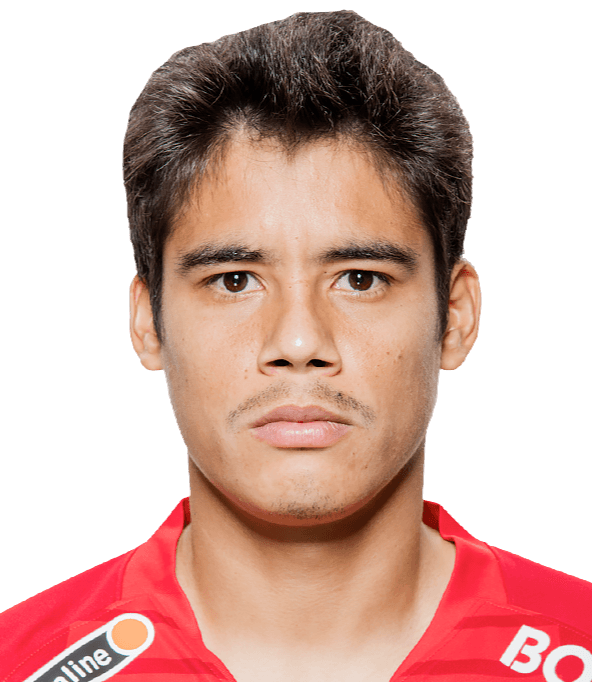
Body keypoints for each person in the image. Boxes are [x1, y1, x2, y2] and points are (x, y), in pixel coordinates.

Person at [2, 10, 591, 682]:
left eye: (361, 279)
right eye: (234, 280)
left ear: (454, 315)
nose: (300, 341)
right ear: (148, 321)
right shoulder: (20, 663)